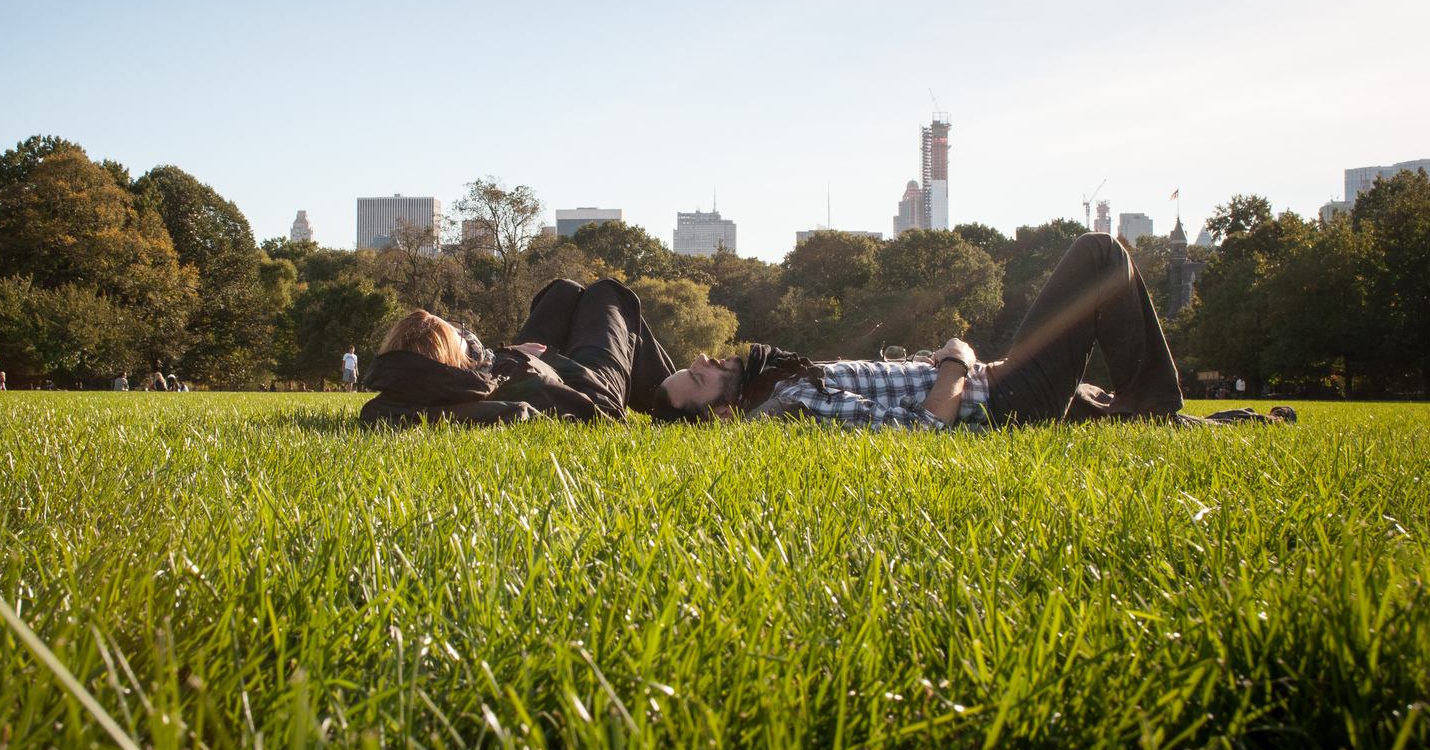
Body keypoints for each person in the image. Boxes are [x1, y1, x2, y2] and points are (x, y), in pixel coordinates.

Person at [654, 232, 1293, 428]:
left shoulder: (782, 381)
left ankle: (1248, 424)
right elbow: (925, 432)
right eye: (697, 378)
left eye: (696, 362)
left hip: (994, 383)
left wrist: (931, 365)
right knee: (1100, 257)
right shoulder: (786, 407)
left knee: (1106, 411)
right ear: (718, 414)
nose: (706, 358)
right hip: (1000, 399)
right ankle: (1153, 402)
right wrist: (957, 360)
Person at [360, 278, 677, 426]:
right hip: (588, 391)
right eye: (468, 342)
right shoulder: (476, 406)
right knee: (607, 294)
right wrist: (543, 359)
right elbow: (528, 411)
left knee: (563, 291)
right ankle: (675, 398)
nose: (472, 339)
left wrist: (504, 355)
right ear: (453, 362)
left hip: (529, 365)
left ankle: (678, 386)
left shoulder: (411, 387)